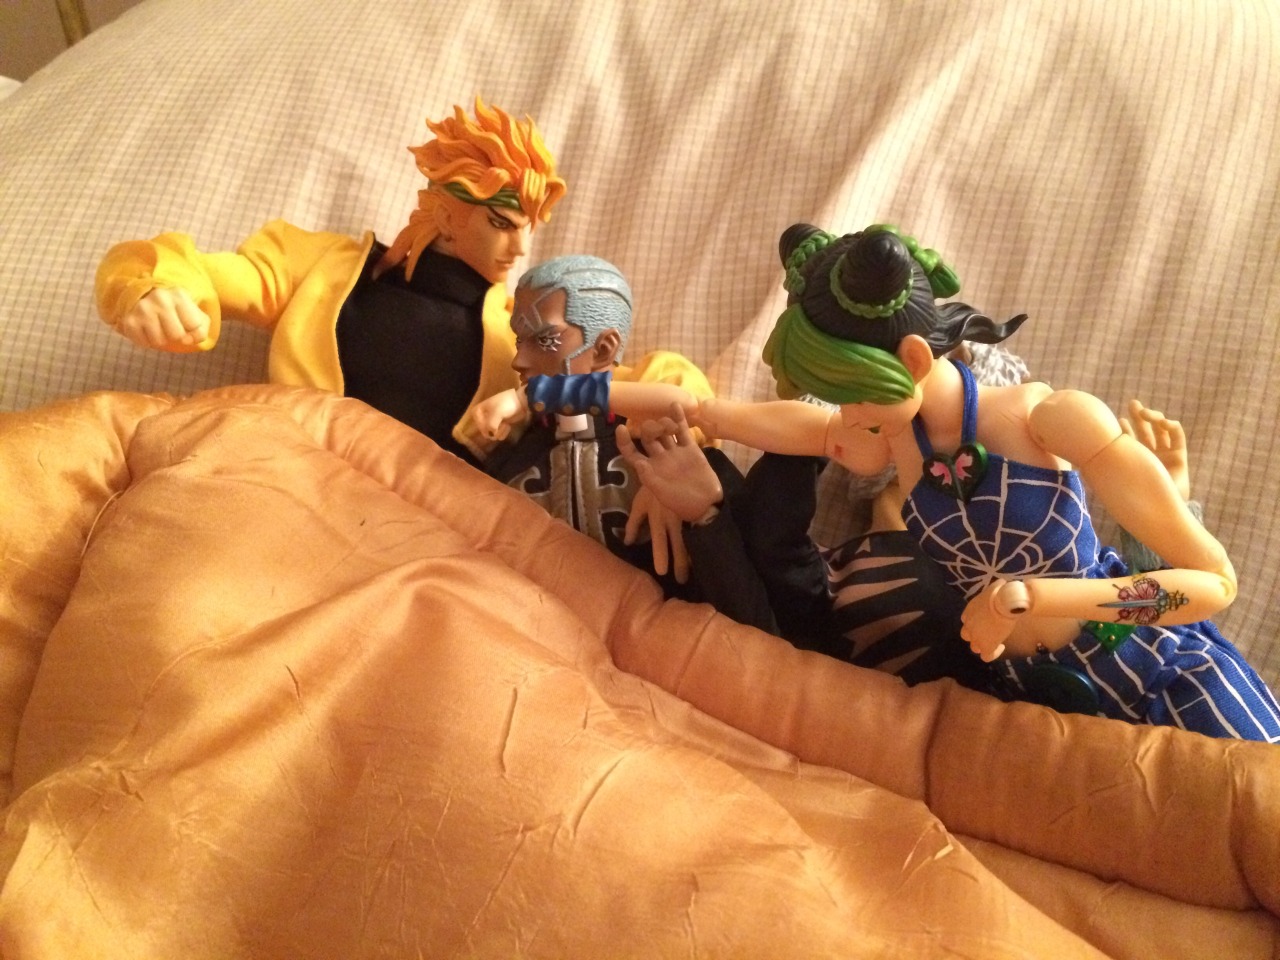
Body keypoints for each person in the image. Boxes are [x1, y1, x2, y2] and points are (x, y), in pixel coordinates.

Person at [609, 223, 1280, 740]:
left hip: (1160, 677)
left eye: (853, 394)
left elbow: (1211, 585)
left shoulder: (1051, 419)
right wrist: (596, 395)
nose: (846, 417)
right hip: (1044, 714)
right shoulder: (890, 440)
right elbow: (735, 416)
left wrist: (1038, 596)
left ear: (910, 359)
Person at [94, 98, 566, 465]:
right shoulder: (327, 267)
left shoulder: (520, 332)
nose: (521, 249)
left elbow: (596, 384)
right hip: (291, 479)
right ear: (445, 216)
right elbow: (202, 272)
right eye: (501, 224)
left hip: (433, 525)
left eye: (528, 229)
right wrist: (151, 288)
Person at [472, 254, 779, 633]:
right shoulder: (514, 458)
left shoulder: (673, 463)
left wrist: (706, 520)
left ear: (604, 348)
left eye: (545, 339)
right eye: (519, 340)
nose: (519, 360)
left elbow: (754, 627)